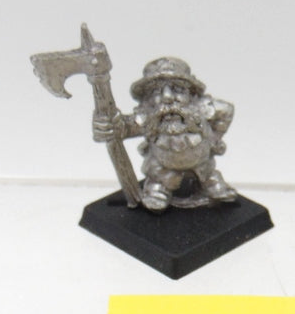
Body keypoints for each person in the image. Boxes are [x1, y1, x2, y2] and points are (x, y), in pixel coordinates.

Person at [92, 57, 238, 212]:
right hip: (163, 165)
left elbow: (226, 110)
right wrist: (108, 126)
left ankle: (211, 185)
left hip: (202, 161)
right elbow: (124, 127)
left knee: (208, 174)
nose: (167, 97)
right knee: (159, 178)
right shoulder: (148, 116)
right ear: (147, 99)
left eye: (177, 89)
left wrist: (215, 137)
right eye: (156, 91)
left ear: (191, 93)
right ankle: (159, 191)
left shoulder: (202, 109)